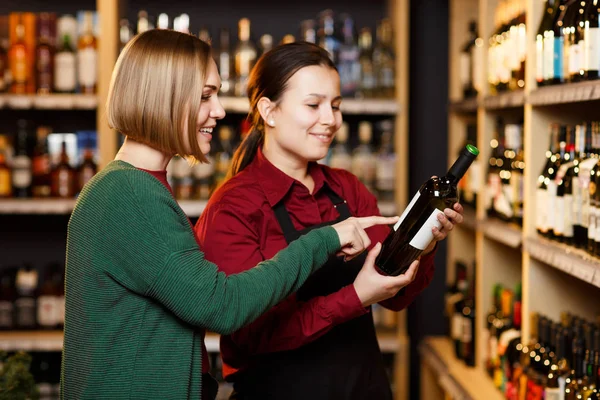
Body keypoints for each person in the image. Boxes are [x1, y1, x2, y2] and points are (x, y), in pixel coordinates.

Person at [60, 30, 411, 400]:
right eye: (205, 96)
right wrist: (327, 238)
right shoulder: (127, 193)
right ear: (165, 97)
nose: (220, 110)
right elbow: (224, 306)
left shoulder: (140, 186)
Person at [195, 42, 465, 400]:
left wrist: (423, 243)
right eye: (314, 105)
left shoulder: (345, 188)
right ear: (268, 110)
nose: (331, 120)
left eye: (335, 106)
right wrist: (355, 296)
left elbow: (396, 296)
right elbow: (250, 335)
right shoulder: (233, 207)